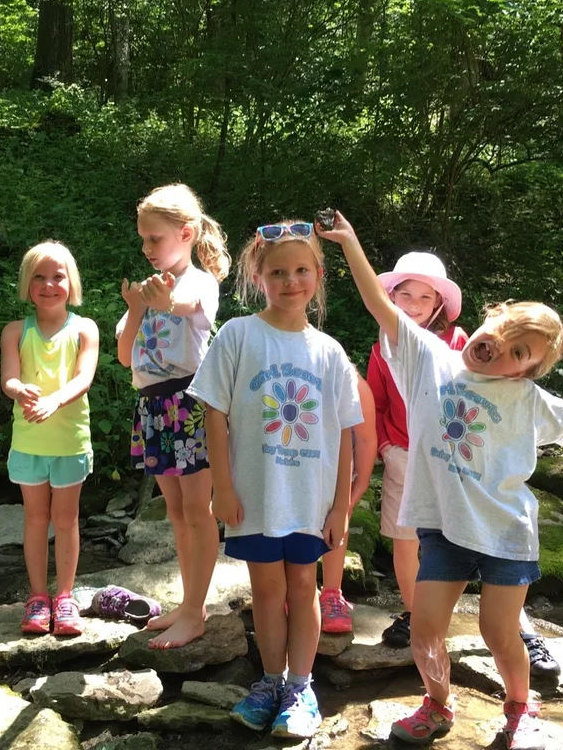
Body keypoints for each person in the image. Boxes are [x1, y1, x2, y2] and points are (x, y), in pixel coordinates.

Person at [318, 213, 563, 749]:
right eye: (500, 333)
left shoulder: (525, 400)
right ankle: (437, 705)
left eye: (518, 353)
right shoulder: (427, 359)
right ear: (488, 316)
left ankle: (518, 708)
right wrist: (349, 243)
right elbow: (380, 304)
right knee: (425, 629)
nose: (499, 349)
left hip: (506, 534)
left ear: (524, 373)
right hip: (443, 530)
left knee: (498, 633)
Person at [189, 221, 362, 739]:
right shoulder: (239, 335)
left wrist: (340, 507)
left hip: (310, 498)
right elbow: (214, 414)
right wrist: (221, 484)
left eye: (302, 270)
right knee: (265, 590)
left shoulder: (330, 352)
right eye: (279, 272)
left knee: (304, 584)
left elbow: (346, 434)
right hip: (256, 493)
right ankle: (270, 681)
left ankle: (301, 687)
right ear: (258, 275)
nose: (291, 281)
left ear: (319, 275)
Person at [370, 253, 561, 679]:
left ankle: (521, 630)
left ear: (440, 303)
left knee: (488, 550)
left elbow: (503, 394)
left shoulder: (459, 345)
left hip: (467, 465)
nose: (414, 304)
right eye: (406, 294)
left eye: (425, 296)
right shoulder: (384, 344)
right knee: (407, 538)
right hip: (406, 455)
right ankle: (415, 614)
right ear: (393, 296)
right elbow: (377, 401)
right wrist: (384, 447)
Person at [116, 183, 231, 649]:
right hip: (153, 407)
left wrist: (163, 301)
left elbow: (187, 307)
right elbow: (125, 357)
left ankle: (194, 612)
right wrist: (137, 308)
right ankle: (191, 606)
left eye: (155, 239)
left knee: (198, 512)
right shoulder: (146, 293)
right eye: (143, 239)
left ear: (186, 234)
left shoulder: (198, 281)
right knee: (178, 513)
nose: (147, 248)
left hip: (189, 405)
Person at [1, 240, 99, 636]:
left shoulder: (85, 328)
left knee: (66, 518)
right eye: (39, 277)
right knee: (35, 519)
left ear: (70, 282)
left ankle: (65, 597)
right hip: (28, 443)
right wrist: (18, 389)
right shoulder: (14, 331)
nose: (48, 285)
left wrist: (54, 401)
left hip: (70, 442)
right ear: (27, 285)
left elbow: (84, 377)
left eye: (57, 276)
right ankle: (38, 598)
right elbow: (8, 376)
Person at [317, 367, 376, 634]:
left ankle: (331, 593)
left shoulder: (352, 382)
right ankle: (295, 591)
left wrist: (361, 482)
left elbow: (365, 437)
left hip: (338, 473)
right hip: (296, 469)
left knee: (337, 529)